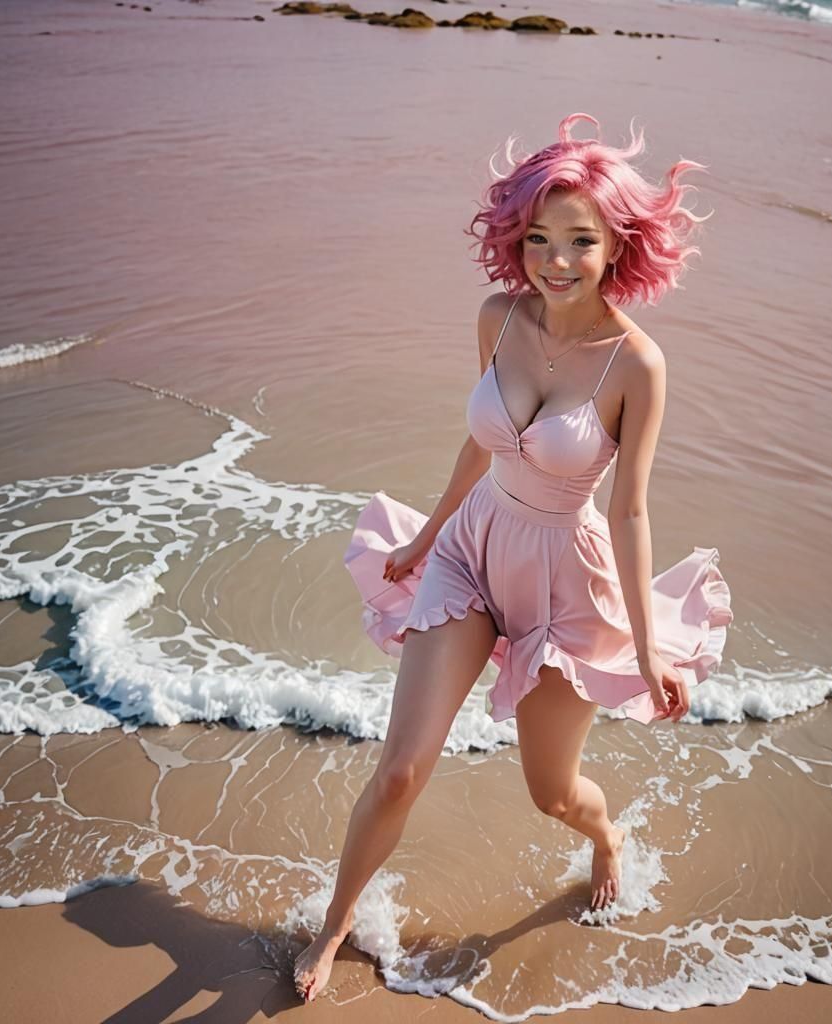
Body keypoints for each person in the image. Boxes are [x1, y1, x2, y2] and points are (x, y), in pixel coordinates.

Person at [294, 112, 733, 1002]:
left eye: (580, 240)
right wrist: (426, 537)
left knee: (553, 795)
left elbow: (630, 510)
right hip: (473, 551)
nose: (555, 260)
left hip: (566, 586)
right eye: (538, 237)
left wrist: (648, 650)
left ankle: (606, 838)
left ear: (619, 245)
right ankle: (334, 924)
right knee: (402, 770)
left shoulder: (637, 365)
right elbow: (484, 441)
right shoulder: (498, 317)